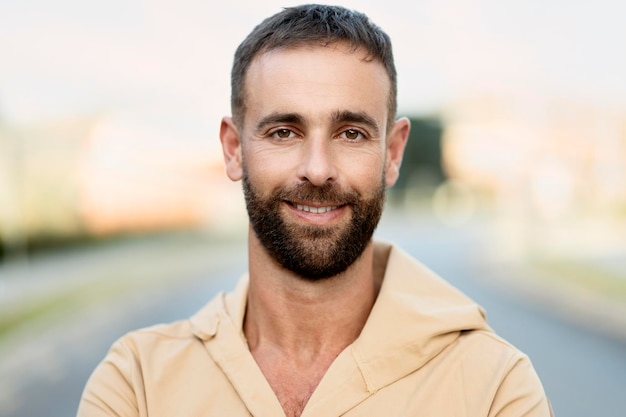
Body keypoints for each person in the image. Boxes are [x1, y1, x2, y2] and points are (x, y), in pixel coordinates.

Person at [77, 4, 553, 417]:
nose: (318, 170)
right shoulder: (136, 382)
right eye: (284, 131)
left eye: (351, 133)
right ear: (233, 149)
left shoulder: (495, 387)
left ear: (392, 153)